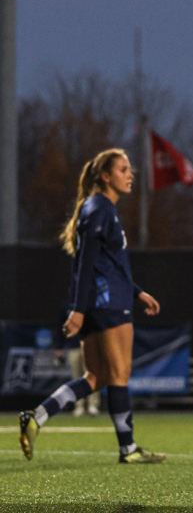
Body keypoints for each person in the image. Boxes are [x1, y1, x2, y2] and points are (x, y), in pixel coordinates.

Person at [19, 148, 164, 464]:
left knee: (95, 377)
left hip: (103, 301)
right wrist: (79, 308)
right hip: (107, 304)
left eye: (130, 169)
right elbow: (86, 263)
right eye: (124, 170)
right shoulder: (100, 208)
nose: (130, 175)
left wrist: (137, 292)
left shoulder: (98, 208)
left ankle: (37, 417)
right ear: (105, 176)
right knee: (119, 374)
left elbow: (106, 263)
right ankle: (128, 449)